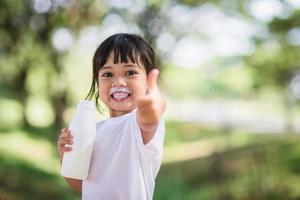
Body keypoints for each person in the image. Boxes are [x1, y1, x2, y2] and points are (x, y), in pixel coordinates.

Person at [57, 33, 166, 200]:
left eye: (130, 72)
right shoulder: (95, 131)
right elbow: (82, 185)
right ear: (97, 81)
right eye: (108, 74)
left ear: (147, 81)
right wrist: (66, 157)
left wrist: (153, 106)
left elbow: (149, 120)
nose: (119, 82)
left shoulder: (137, 125)